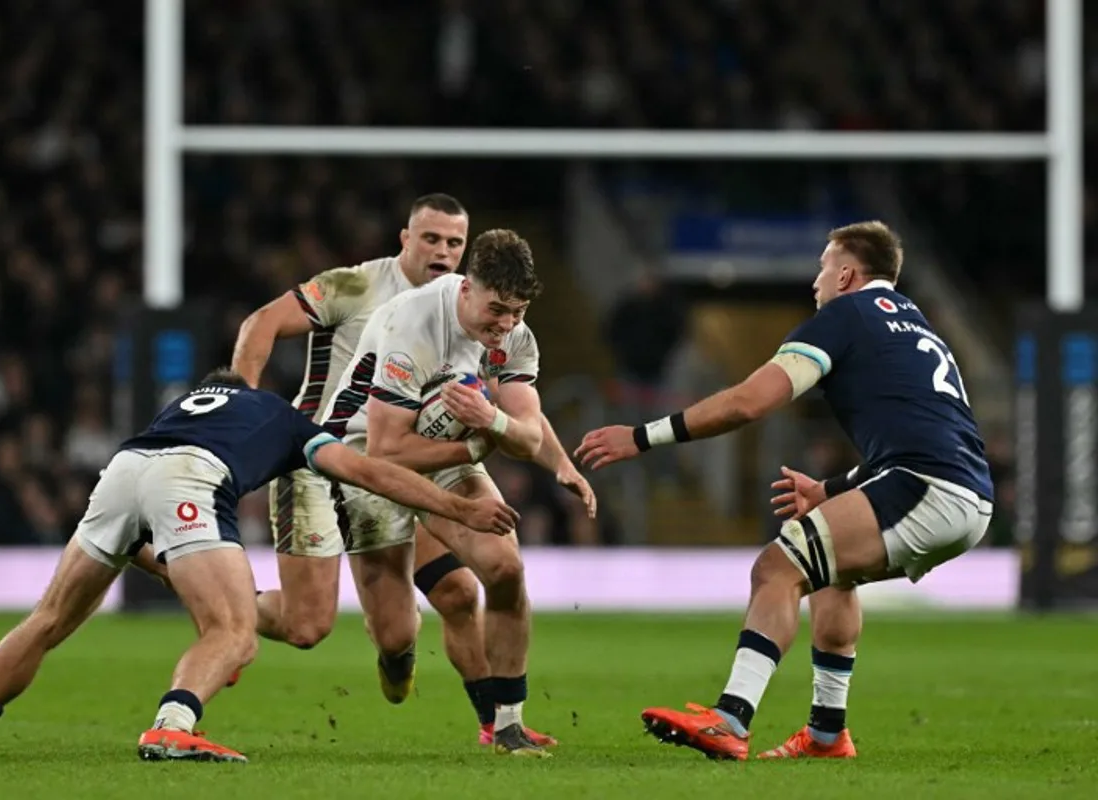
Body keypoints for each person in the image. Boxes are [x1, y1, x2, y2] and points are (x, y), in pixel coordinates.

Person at [0, 368, 519, 763]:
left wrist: (166, 566)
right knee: (234, 634)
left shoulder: (179, 409)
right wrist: (457, 506)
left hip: (124, 468)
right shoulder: (280, 416)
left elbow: (147, 527)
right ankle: (172, 726)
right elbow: (368, 472)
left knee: (48, 619)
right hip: (189, 477)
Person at [576, 221, 993, 761]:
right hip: (969, 497)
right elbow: (919, 434)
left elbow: (750, 401)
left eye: (823, 267)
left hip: (922, 487)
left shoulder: (844, 316)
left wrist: (642, 435)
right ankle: (826, 733)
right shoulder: (918, 325)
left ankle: (731, 719)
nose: (816, 281)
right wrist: (831, 488)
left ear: (846, 273)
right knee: (832, 576)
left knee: (776, 569)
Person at [232, 194, 593, 747]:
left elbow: (524, 424)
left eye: (454, 243)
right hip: (338, 456)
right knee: (314, 627)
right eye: (431, 239)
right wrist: (244, 407)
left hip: (426, 443)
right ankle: (223, 605)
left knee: (477, 581)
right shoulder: (368, 294)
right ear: (405, 239)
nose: (442, 251)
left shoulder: (500, 322)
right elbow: (383, 450)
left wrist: (554, 461)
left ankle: (500, 725)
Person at [318, 228, 556, 756]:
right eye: (498, 310)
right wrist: (475, 447)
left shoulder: (513, 334)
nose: (507, 325)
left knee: (501, 570)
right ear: (465, 287)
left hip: (444, 445)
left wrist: (490, 419)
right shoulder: (414, 324)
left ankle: (506, 724)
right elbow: (387, 452)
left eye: (517, 311)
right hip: (363, 460)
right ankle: (395, 655)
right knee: (397, 634)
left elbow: (529, 436)